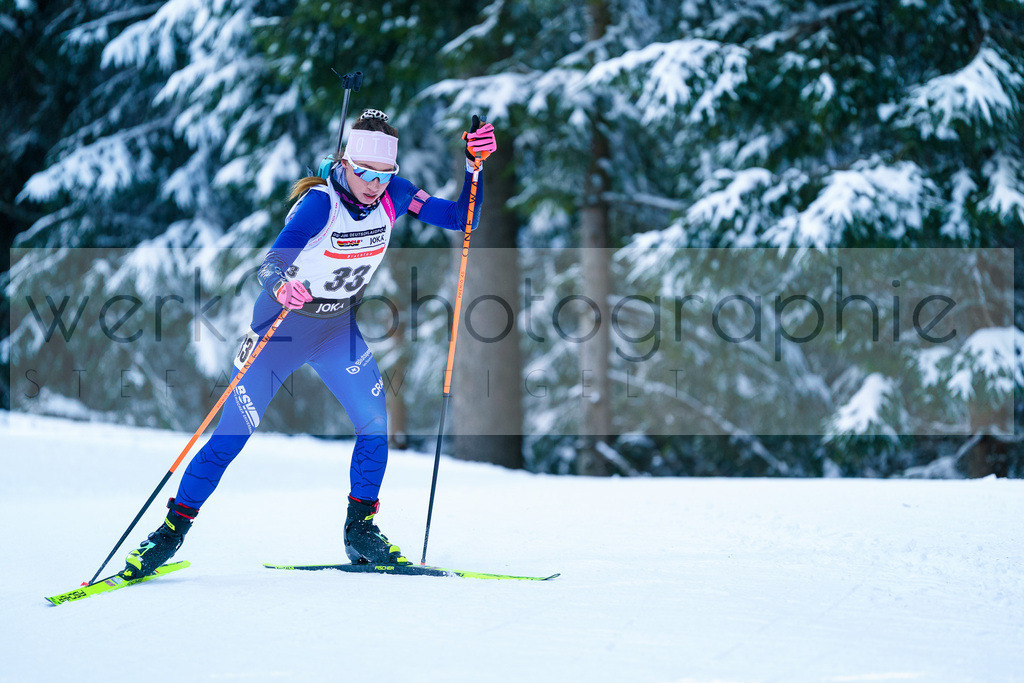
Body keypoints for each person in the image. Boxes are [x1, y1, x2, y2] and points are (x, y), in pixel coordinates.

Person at [119, 109, 498, 578]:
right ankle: (167, 536)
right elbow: (272, 261)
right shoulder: (319, 204)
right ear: (345, 162)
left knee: (374, 425)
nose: (374, 183)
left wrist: (473, 167)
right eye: (363, 172)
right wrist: (280, 285)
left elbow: (463, 219)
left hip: (337, 329)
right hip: (280, 331)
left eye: (384, 174)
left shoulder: (395, 195)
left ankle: (360, 530)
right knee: (229, 439)